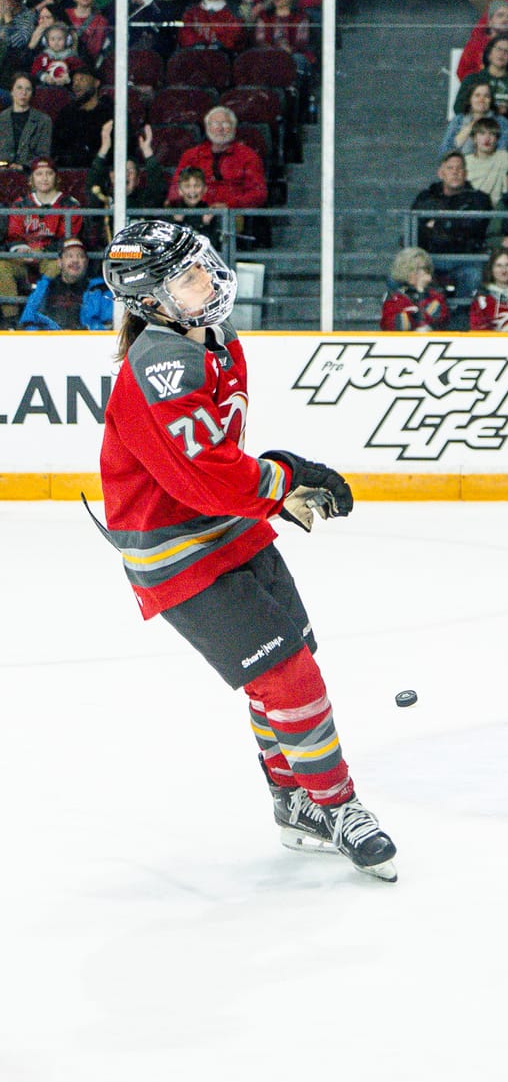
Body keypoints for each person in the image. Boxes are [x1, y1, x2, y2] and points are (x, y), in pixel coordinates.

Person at [96, 218, 396, 879]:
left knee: (288, 662)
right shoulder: (159, 364)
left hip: (229, 526)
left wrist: (273, 483)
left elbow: (218, 465)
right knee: (289, 672)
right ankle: (337, 804)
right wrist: (283, 479)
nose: (208, 277)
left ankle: (294, 802)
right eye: (187, 275)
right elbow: (202, 475)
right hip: (175, 549)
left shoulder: (218, 340)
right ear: (153, 300)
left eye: (201, 263)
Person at [18, 236, 111, 329]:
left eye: (80, 256)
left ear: (86, 262)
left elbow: (110, 325)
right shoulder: (44, 289)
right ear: (59, 262)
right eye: (69, 256)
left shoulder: (100, 289)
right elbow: (27, 323)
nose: (75, 260)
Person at [380, 245, 447, 331]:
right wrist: (417, 314)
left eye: (424, 269)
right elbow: (397, 326)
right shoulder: (393, 297)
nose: (418, 273)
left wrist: (421, 293)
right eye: (413, 269)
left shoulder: (436, 295)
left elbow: (436, 319)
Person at [467, 246, 508, 331]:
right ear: (491, 269)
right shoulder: (482, 295)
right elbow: (476, 327)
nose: (504, 270)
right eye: (499, 266)